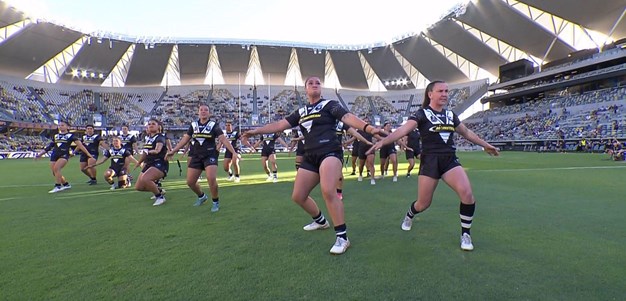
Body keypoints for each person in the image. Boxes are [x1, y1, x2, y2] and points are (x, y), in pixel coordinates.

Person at [243, 76, 380, 255]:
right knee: (298, 196)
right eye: (311, 83)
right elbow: (279, 125)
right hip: (310, 156)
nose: (315, 85)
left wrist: (369, 128)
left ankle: (342, 237)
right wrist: (256, 130)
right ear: (305, 89)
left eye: (318, 83)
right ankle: (321, 221)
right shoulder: (300, 111)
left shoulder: (329, 105)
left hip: (330, 152)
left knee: (328, 190)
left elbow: (348, 117)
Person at [368, 80, 499, 251]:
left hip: (449, 160)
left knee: (467, 194)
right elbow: (403, 130)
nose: (444, 94)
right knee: (423, 204)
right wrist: (385, 141)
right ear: (430, 94)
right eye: (440, 91)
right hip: (430, 162)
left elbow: (466, 132)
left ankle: (465, 234)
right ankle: (409, 215)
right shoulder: (421, 114)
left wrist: (485, 144)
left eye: (446, 90)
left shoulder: (451, 115)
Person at [168, 104, 238, 211]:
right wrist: (173, 150)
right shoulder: (193, 125)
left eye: (206, 110)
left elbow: (223, 139)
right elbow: (185, 139)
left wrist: (233, 152)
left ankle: (215, 202)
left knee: (211, 178)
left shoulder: (214, 125)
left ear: (209, 113)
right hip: (196, 156)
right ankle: (202, 196)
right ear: (198, 112)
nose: (203, 111)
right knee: (190, 182)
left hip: (210, 155)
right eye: (201, 110)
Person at [35, 120, 93, 193]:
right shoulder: (56, 136)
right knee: (55, 172)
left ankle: (58, 186)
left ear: (67, 127)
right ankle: (66, 184)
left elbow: (80, 145)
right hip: (54, 155)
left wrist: (88, 154)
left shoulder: (71, 136)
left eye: (62, 125)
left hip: (64, 155)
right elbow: (49, 146)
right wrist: (40, 154)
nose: (60, 126)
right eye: (59, 125)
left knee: (57, 168)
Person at [134, 118, 169, 206]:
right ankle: (159, 190)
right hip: (149, 163)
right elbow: (145, 152)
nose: (151, 125)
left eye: (153, 124)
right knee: (139, 187)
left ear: (158, 126)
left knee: (146, 178)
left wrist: (153, 151)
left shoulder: (160, 137)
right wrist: (139, 162)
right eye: (149, 124)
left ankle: (159, 197)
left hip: (159, 163)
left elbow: (158, 149)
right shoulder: (148, 138)